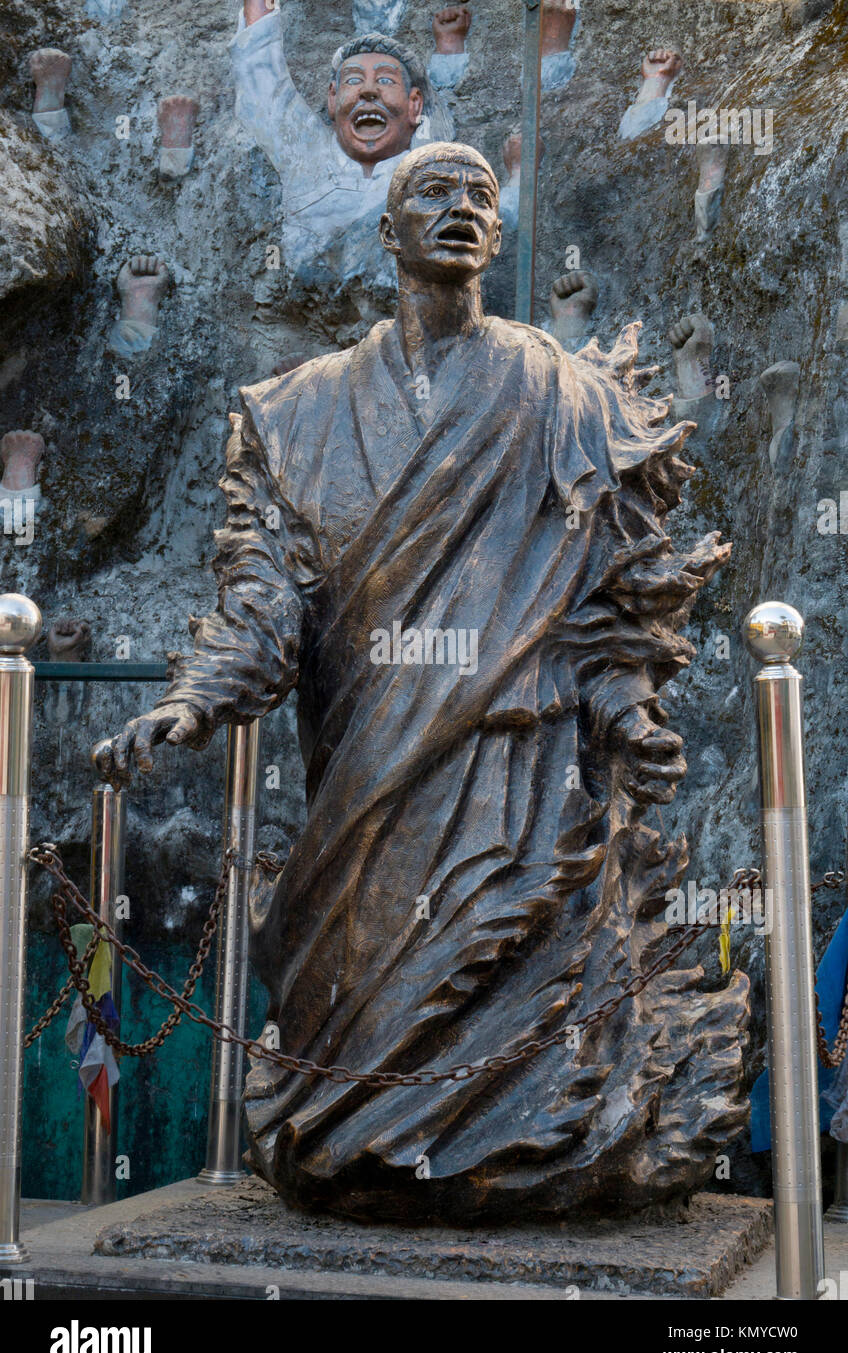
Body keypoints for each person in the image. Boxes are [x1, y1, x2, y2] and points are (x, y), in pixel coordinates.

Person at [93, 143, 748, 1221]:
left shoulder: (565, 395)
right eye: (430, 194)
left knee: (519, 996)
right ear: (386, 234)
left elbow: (607, 594)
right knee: (354, 1046)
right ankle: (364, 1139)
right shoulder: (290, 413)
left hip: (515, 765)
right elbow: (260, 602)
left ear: (498, 237)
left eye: (479, 197)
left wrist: (627, 713)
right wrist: (189, 701)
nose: (458, 209)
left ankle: (541, 1133)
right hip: (368, 779)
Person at [232, 0, 452, 284]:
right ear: (333, 98)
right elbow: (263, 86)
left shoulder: (428, 176)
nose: (369, 91)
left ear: (414, 105)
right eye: (353, 80)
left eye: (385, 81)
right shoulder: (307, 156)